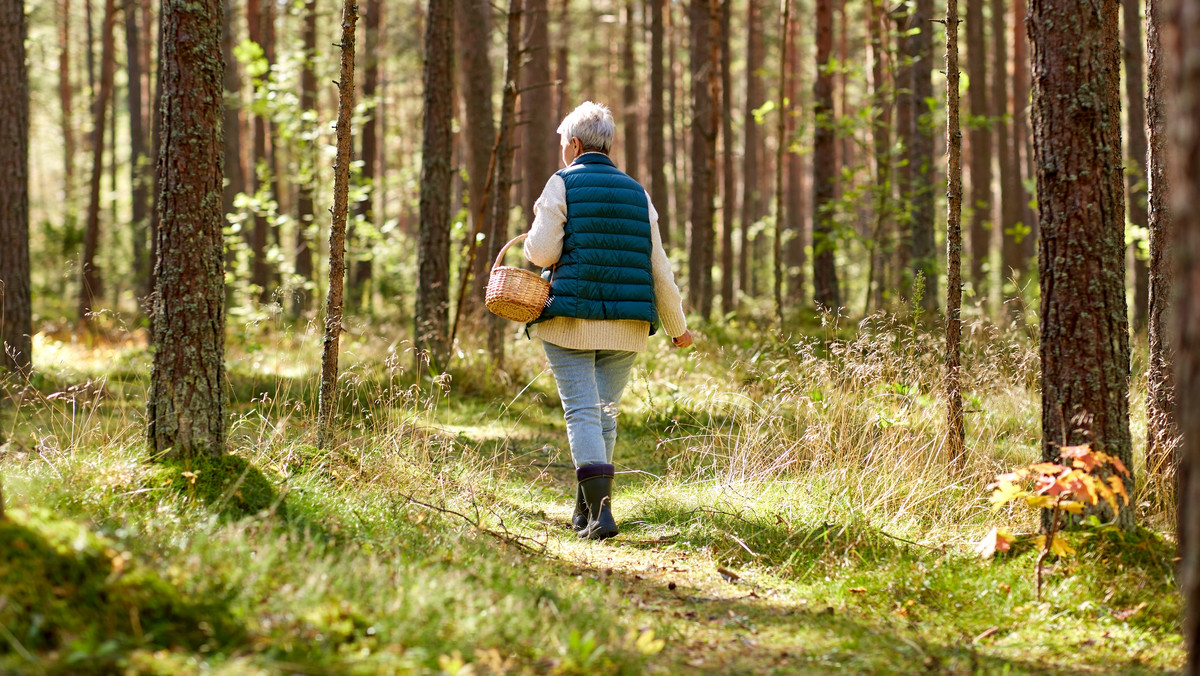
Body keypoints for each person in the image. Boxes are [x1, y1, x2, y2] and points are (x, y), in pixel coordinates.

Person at [523, 101, 692, 541]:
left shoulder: (562, 183)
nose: (563, 150)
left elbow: (541, 253)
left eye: (564, 143)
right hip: (630, 323)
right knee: (605, 413)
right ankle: (587, 510)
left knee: (583, 410)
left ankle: (600, 515)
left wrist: (533, 245)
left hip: (571, 319)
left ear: (574, 144)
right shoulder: (639, 192)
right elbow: (660, 268)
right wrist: (677, 327)